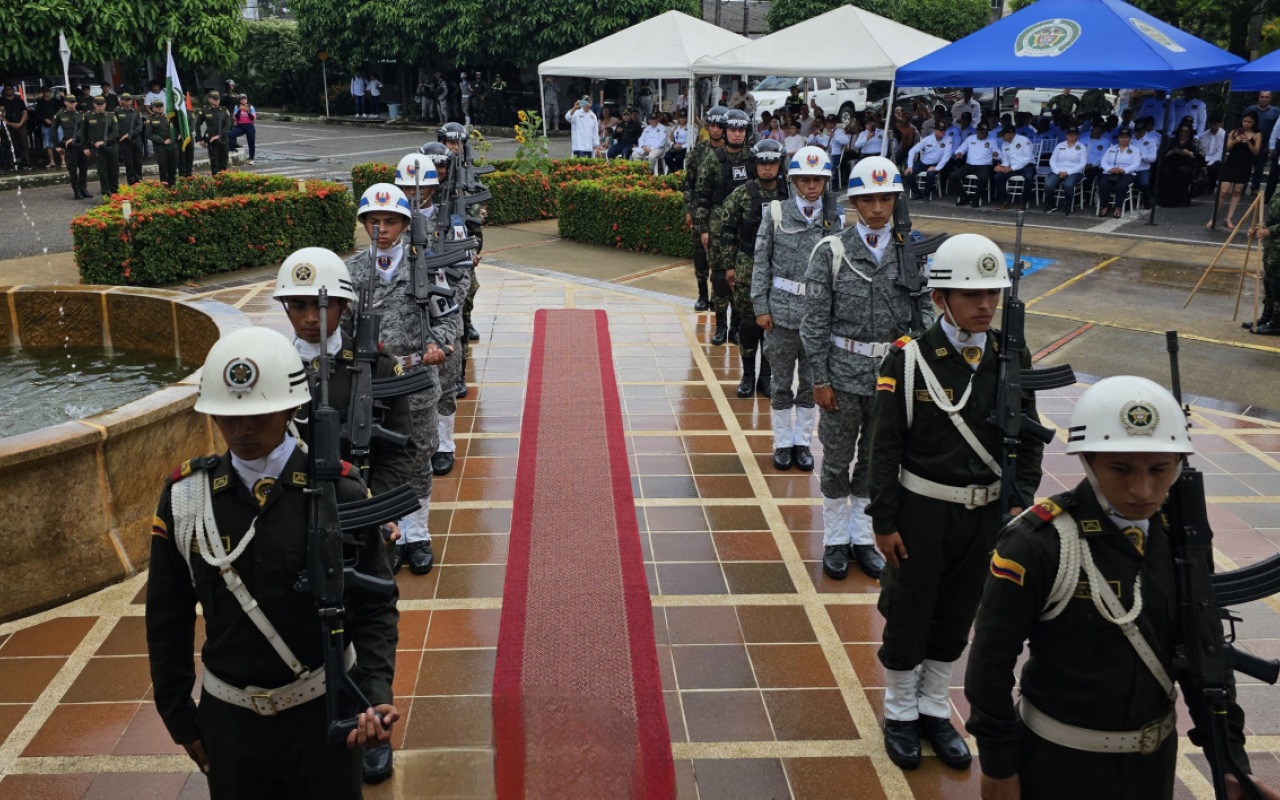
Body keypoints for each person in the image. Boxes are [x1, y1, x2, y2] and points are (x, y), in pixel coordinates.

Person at [965, 375, 1280, 800]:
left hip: (1151, 767)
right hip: (1058, 763)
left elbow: (1206, 654)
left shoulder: (1183, 538)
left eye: (1159, 469)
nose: (1142, 489)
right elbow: (990, 664)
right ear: (1088, 461)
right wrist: (999, 768)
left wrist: (1230, 764)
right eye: (1121, 468)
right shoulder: (1037, 543)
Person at [145, 325, 399, 800]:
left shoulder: (339, 493)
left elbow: (374, 605)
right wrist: (179, 716)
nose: (242, 430)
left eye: (258, 414)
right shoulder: (186, 501)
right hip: (230, 720)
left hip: (325, 713)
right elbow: (167, 616)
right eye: (228, 416)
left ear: (290, 407)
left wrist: (375, 690)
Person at [867, 234, 1041, 772]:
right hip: (923, 511)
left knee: (959, 610)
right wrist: (884, 519)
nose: (985, 304)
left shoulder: (1012, 357)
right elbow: (885, 446)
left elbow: (1030, 438)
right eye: (971, 294)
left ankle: (933, 708)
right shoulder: (910, 359)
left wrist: (1019, 502)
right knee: (910, 608)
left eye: (993, 292)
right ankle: (899, 712)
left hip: (986, 513)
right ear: (941, 298)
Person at [802, 156, 926, 583]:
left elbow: (923, 315)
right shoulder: (831, 251)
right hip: (840, 375)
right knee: (836, 461)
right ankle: (835, 540)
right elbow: (814, 321)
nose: (877, 208)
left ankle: (861, 538)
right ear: (853, 201)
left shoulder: (911, 251)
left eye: (886, 198)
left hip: (891, 379)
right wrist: (819, 379)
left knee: (876, 464)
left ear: (896, 200)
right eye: (868, 199)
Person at [345, 183, 447, 575]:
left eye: (390, 221)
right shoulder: (351, 271)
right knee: (372, 459)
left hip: (416, 379)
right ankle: (389, 530)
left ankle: (418, 533)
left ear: (404, 224)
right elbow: (342, 328)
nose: (381, 228)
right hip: (367, 381)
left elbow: (448, 316)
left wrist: (439, 344)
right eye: (374, 221)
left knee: (420, 456)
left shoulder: (426, 266)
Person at [753, 145, 844, 472]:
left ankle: (802, 442)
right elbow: (761, 263)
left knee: (810, 384)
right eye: (804, 179)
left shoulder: (835, 219)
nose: (811, 186)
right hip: (780, 314)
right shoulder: (777, 213)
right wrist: (760, 305)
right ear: (792, 181)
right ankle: (781, 443)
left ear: (825, 182)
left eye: (817, 180)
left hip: (817, 318)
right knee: (779, 383)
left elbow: (841, 270)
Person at [719, 139, 788, 400]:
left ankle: (765, 378)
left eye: (772, 162)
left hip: (780, 268)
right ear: (755, 164)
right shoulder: (743, 193)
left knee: (772, 325)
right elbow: (727, 231)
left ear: (780, 164)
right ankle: (748, 376)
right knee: (748, 325)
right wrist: (729, 266)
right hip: (747, 265)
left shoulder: (789, 194)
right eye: (762, 162)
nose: (767, 168)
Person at [696, 108, 754, 346]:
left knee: (740, 280)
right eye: (733, 130)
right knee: (720, 278)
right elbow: (702, 195)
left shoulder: (753, 159)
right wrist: (703, 229)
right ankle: (720, 327)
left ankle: (736, 328)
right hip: (718, 227)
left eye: (741, 130)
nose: (737, 134)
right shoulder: (713, 158)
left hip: (745, 228)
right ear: (726, 131)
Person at [685, 105, 727, 312]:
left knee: (719, 257)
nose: (716, 130)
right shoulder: (699, 151)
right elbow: (689, 183)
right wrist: (688, 209)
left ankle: (716, 297)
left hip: (722, 213)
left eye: (720, 126)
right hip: (700, 212)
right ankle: (703, 295)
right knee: (700, 254)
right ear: (707, 127)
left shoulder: (731, 151)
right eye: (712, 126)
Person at [1210, 110, 1261, 229]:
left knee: (1237, 190)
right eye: (1245, 121)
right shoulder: (1234, 132)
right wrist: (1235, 140)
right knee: (1223, 191)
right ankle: (1213, 217)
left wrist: (1248, 142)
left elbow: (1256, 152)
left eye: (1249, 122)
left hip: (1245, 164)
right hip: (1231, 163)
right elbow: (1226, 148)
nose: (1246, 124)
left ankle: (1229, 218)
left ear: (1254, 123)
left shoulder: (1257, 135)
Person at [1097, 128, 1142, 218]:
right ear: (1118, 138)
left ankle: (1118, 207)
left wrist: (1124, 170)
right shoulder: (1111, 149)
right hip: (1110, 172)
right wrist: (1109, 169)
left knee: (1121, 186)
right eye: (1122, 137)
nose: (1124, 139)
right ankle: (1104, 206)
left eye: (1126, 137)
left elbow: (1136, 164)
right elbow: (1103, 162)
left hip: (1126, 173)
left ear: (1130, 138)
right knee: (1103, 184)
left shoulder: (1135, 150)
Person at [950, 122, 997, 208]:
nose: (985, 134)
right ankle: (964, 196)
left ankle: (976, 198)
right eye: (983, 132)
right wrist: (959, 152)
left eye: (986, 132)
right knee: (954, 176)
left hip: (984, 165)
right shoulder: (970, 138)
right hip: (970, 165)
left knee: (983, 178)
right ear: (977, 132)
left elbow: (998, 153)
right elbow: (962, 148)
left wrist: (996, 154)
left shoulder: (992, 140)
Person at [80, 95, 118, 200]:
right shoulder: (88, 116)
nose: (100, 106)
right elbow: (83, 133)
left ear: (105, 104)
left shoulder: (110, 116)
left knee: (114, 171)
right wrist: (85, 147)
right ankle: (105, 195)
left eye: (102, 104)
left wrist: (104, 141)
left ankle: (115, 194)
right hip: (97, 150)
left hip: (111, 147)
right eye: (98, 104)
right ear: (94, 104)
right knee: (103, 173)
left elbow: (115, 132)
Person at [1042, 126, 1088, 214]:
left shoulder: (1081, 147)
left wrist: (1068, 172)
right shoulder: (1060, 145)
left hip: (1074, 172)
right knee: (1048, 185)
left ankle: (1069, 205)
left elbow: (1082, 164)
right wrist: (1057, 171)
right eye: (1070, 134)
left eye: (1074, 134)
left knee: (1068, 185)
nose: (1072, 136)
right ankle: (1052, 204)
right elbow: (1052, 160)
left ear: (1077, 135)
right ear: (1066, 135)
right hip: (1058, 171)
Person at [1157, 124, 1204, 208]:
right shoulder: (1171, 140)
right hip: (1171, 162)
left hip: (1187, 164)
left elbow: (1201, 155)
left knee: (1183, 171)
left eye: (1186, 131)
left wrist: (1189, 153)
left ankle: (1182, 200)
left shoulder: (1194, 141)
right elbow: (1162, 153)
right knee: (1166, 171)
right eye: (1181, 131)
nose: (1183, 133)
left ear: (1190, 132)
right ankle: (1167, 200)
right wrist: (1172, 151)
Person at [53, 93, 90, 198]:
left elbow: (83, 130)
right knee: (73, 169)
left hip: (81, 144)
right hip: (70, 147)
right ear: (65, 103)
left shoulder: (80, 115)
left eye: (74, 102)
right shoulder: (60, 115)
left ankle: (83, 188)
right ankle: (76, 190)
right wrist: (56, 145)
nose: (73, 104)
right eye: (70, 102)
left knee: (83, 168)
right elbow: (53, 130)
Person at [993, 126, 1036, 211]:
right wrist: (1002, 167)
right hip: (1012, 168)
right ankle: (1007, 201)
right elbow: (1005, 160)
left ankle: (1023, 202)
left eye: (1003, 135)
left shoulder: (1024, 140)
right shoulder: (1005, 144)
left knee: (1029, 177)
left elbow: (1027, 158)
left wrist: (1011, 168)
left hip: (1026, 166)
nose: (1002, 137)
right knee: (997, 177)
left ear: (1010, 134)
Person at [904, 125, 951, 201]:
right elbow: (913, 151)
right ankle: (917, 193)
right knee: (909, 173)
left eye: (944, 130)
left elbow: (946, 156)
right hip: (923, 162)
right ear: (935, 131)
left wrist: (936, 168)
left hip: (936, 163)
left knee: (930, 174)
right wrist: (910, 165)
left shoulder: (948, 140)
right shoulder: (927, 139)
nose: (943, 132)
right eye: (941, 130)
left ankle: (926, 194)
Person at [1246, 91, 1280, 196]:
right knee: (1246, 165)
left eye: (1266, 97)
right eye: (1262, 97)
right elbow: (1242, 122)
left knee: (1259, 167)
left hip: (1264, 143)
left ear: (1270, 98)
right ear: (1258, 97)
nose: (1264, 99)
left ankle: (1255, 188)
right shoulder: (1250, 109)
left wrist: (1270, 144)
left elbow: (1275, 128)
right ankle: (1241, 187)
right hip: (1249, 141)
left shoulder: (1275, 111)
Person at [112, 94, 144, 186]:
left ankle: (139, 182)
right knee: (129, 163)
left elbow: (139, 127)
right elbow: (114, 126)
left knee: (138, 163)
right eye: (125, 100)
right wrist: (119, 137)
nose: (127, 102)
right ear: (121, 101)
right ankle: (131, 183)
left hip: (136, 140)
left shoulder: (136, 112)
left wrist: (129, 134)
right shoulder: (117, 111)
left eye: (129, 100)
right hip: (124, 142)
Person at [197, 91, 232, 175]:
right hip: (212, 141)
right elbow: (197, 124)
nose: (217, 101)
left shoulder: (224, 110)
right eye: (214, 99)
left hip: (223, 139)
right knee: (214, 164)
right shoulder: (205, 110)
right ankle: (216, 182)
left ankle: (223, 182)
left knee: (224, 163)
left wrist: (219, 135)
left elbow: (228, 125)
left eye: (218, 99)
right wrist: (200, 139)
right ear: (210, 99)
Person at [147, 98, 179, 187]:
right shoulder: (151, 119)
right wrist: (162, 141)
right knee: (163, 169)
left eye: (161, 106)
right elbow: (149, 135)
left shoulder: (169, 117)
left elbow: (176, 129)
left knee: (173, 168)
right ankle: (165, 189)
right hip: (160, 148)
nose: (160, 108)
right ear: (153, 108)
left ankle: (173, 188)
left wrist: (178, 135)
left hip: (172, 147)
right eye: (157, 107)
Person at [0, 85, 30, 173]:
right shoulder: (1, 101)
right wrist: (9, 123)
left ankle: (26, 162)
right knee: (9, 144)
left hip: (20, 124)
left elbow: (25, 112)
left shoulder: (19, 100)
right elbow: (1, 115)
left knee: (23, 144)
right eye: (6, 90)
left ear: (13, 90)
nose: (8, 91)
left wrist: (20, 123)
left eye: (9, 89)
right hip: (7, 125)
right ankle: (11, 163)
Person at [35, 86, 60, 169]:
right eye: (46, 92)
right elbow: (37, 115)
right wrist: (44, 119)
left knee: (60, 141)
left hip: (56, 125)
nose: (48, 93)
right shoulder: (40, 103)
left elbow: (62, 107)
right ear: (43, 93)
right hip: (45, 126)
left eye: (48, 92)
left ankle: (63, 160)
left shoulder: (55, 101)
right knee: (48, 144)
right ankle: (52, 161)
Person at [228, 96, 257, 165]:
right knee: (230, 134)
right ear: (240, 100)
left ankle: (251, 158)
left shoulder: (251, 107)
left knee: (251, 141)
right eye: (242, 99)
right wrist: (240, 110)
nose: (244, 100)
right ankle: (230, 150)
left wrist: (248, 112)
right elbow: (235, 117)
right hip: (240, 126)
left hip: (249, 126)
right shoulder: (237, 107)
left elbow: (253, 118)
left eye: (245, 99)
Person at [1201, 114, 1225, 189]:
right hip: (1206, 158)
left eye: (1215, 124)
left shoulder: (1224, 135)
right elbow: (1202, 149)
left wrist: (1209, 164)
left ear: (1220, 124)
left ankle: (1211, 185)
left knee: (1213, 167)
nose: (1213, 127)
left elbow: (1219, 153)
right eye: (1211, 124)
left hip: (1217, 160)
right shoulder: (1205, 134)